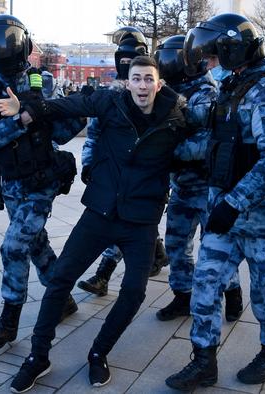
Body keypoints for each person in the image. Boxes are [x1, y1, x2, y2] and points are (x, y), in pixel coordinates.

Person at [5, 55, 201, 392]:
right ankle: (38, 356)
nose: (142, 86)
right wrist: (29, 107)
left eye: (147, 79)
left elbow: (206, 142)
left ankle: (99, 352)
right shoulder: (111, 102)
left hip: (141, 222)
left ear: (158, 83)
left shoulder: (176, 116)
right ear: (128, 82)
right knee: (60, 279)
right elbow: (66, 105)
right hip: (99, 213)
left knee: (134, 292)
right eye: (136, 79)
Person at [165, 14, 265, 390]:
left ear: (231, 51)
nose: (208, 65)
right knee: (205, 286)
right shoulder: (233, 88)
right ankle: (203, 363)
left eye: (211, 57)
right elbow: (218, 141)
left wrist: (234, 203)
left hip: (261, 221)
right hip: (224, 218)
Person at [0, 14, 85, 354]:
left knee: (14, 246)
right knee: (36, 243)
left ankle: (9, 321)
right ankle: (62, 300)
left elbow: (61, 131)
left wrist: (64, 111)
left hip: (42, 179)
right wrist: (28, 117)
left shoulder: (42, 81)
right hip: (11, 180)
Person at [152, 35, 243, 323]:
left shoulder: (206, 93)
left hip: (207, 188)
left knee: (216, 247)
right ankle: (182, 295)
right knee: (177, 244)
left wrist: (170, 151)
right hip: (181, 186)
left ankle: (233, 292)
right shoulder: (166, 92)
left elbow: (207, 142)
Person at [76, 26, 169, 298]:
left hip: (142, 175)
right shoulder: (109, 93)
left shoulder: (154, 90)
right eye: (123, 58)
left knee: (123, 219)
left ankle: (103, 274)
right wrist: (89, 164)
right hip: (110, 169)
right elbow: (93, 133)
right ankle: (158, 253)